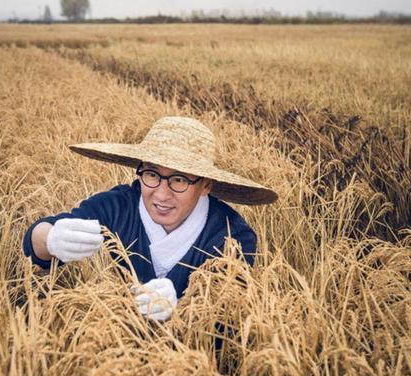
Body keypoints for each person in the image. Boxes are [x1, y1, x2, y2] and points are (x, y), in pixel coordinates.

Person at [23, 116, 277, 322]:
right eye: (152, 174)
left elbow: (226, 320)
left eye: (179, 180)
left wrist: (182, 308)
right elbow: (36, 239)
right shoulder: (117, 207)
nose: (161, 194)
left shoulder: (231, 237)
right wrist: (50, 239)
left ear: (206, 185)